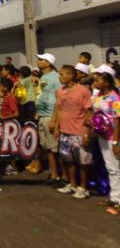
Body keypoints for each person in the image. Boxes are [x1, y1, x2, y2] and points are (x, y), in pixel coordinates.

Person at [54, 65, 93, 199]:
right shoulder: (59, 91)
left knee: (82, 161)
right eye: (60, 74)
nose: (60, 77)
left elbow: (89, 112)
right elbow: (59, 110)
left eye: (63, 74)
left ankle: (83, 188)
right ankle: (72, 184)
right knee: (68, 160)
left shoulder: (83, 91)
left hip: (79, 131)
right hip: (65, 131)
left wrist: (87, 131)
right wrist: (57, 128)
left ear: (71, 75)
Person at [90, 66, 120, 215]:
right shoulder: (98, 96)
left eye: (99, 80)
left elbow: (118, 120)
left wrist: (115, 141)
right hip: (102, 136)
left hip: (112, 136)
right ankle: (114, 197)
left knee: (115, 168)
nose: (95, 82)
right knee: (110, 167)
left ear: (107, 83)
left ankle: (117, 201)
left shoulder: (114, 97)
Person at [35, 53, 62, 185]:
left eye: (41, 60)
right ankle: (54, 174)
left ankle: (60, 175)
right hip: (43, 115)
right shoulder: (43, 77)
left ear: (48, 63)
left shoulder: (56, 77)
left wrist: (55, 120)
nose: (38, 61)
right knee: (48, 148)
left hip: (51, 116)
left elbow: (60, 98)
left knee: (55, 148)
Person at [0, 77, 19, 175]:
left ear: (6, 88)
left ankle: (13, 167)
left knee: (12, 147)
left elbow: (16, 113)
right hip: (7, 125)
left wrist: (4, 118)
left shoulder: (10, 98)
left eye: (1, 86)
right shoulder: (6, 97)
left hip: (10, 126)